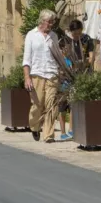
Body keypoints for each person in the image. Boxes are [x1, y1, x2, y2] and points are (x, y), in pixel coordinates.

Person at [23, 9, 62, 143]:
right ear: (42, 21)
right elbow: (26, 59)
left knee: (51, 104)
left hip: (52, 73)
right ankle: (34, 126)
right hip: (37, 74)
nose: (51, 25)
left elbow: (57, 56)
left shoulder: (54, 36)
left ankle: (48, 135)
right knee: (37, 105)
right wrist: (27, 77)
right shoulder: (31, 35)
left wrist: (61, 70)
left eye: (53, 22)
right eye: (49, 22)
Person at [57, 19, 94, 140]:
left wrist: (83, 63)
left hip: (84, 73)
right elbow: (61, 58)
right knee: (65, 102)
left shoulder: (87, 39)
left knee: (78, 100)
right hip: (67, 75)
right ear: (71, 32)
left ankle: (74, 129)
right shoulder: (65, 41)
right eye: (75, 34)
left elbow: (91, 57)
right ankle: (64, 131)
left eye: (79, 33)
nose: (77, 36)